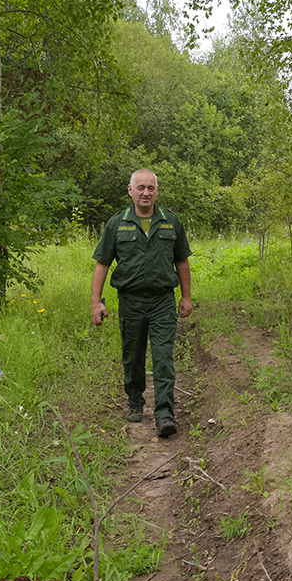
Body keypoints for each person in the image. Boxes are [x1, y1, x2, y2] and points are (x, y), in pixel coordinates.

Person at [91, 169, 193, 438]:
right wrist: (96, 303)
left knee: (163, 358)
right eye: (141, 188)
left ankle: (164, 414)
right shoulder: (117, 224)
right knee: (133, 356)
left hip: (162, 301)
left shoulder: (171, 222)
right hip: (130, 301)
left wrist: (186, 297)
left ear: (157, 191)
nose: (146, 192)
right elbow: (102, 264)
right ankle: (135, 402)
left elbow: (182, 261)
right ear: (130, 190)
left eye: (151, 188)